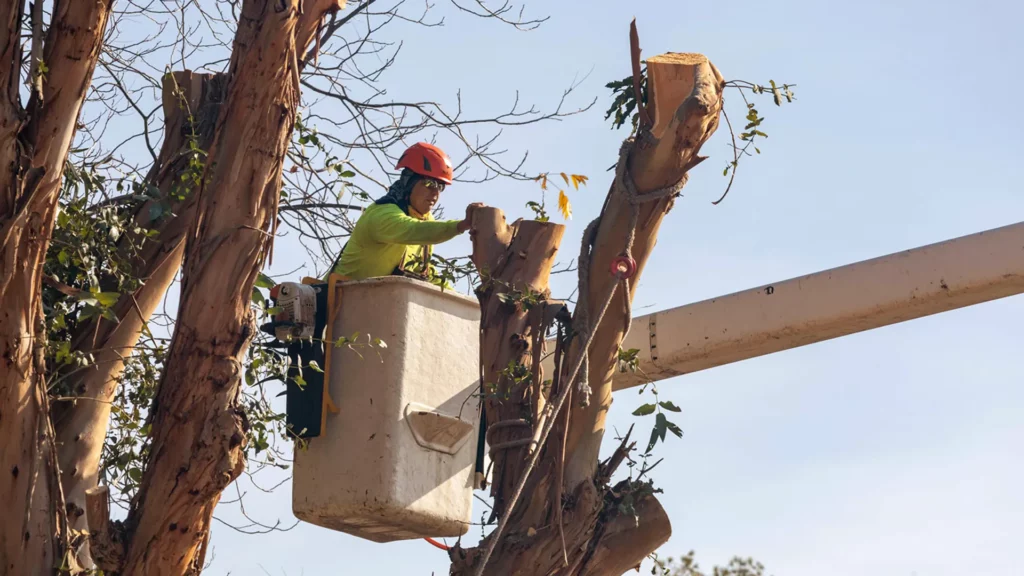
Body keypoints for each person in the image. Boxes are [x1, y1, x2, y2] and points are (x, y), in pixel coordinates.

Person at [330, 142, 483, 281]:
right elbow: (413, 229)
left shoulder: (426, 221)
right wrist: (461, 225)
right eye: (429, 183)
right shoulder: (382, 214)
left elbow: (423, 271)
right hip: (339, 302)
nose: (435, 193)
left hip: (379, 303)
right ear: (409, 182)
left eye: (440, 187)